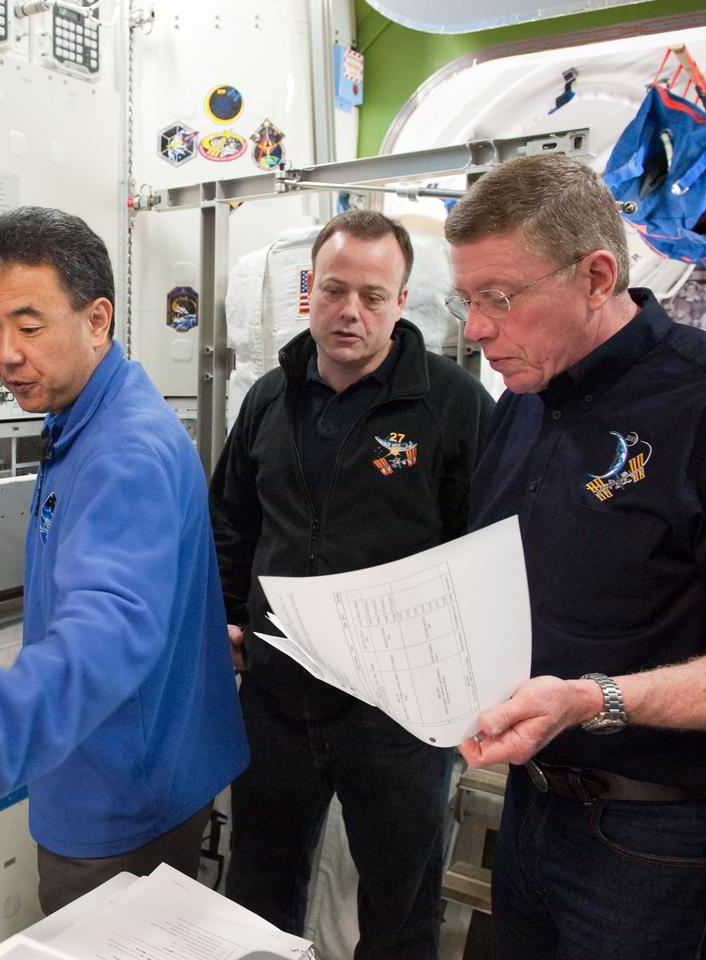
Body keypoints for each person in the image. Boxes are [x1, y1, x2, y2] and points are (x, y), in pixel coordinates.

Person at [445, 153, 706, 959]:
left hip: (663, 840)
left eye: (498, 299)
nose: (475, 329)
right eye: (464, 300)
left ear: (597, 276)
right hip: (536, 807)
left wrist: (594, 698)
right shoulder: (521, 408)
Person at [0, 206, 248, 914]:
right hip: (143, 768)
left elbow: (110, 625)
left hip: (122, 802)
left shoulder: (124, 449)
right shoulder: (87, 415)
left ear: (96, 319)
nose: (6, 353)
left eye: (29, 326)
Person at [210, 210, 495, 959]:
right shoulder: (270, 398)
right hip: (277, 698)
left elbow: (489, 548)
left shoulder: (453, 405)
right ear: (311, 291)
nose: (350, 311)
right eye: (335, 290)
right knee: (258, 890)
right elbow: (231, 524)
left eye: (374, 295)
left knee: (399, 910)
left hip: (396, 714)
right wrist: (229, 618)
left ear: (402, 301)